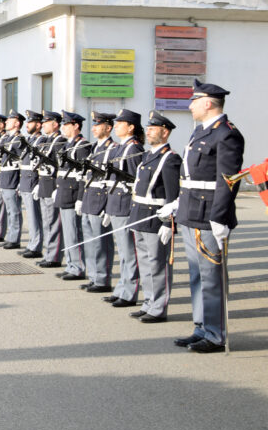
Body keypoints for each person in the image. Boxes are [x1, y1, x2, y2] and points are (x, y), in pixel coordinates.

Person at [164, 80, 244, 353]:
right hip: (189, 212)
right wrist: (177, 202)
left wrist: (220, 218)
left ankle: (215, 334)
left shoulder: (226, 135)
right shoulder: (200, 132)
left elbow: (228, 181)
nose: (190, 105)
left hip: (209, 215)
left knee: (212, 277)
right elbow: (190, 176)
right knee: (198, 276)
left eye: (194, 101)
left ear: (208, 103)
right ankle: (201, 327)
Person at [128, 111, 181, 324]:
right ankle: (149, 302)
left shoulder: (170, 159)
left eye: (153, 128)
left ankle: (159, 307)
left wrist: (169, 224)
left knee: (158, 265)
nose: (148, 131)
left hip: (156, 219)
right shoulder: (148, 156)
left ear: (165, 132)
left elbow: (173, 195)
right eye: (148, 128)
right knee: (145, 263)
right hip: (140, 216)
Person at [100, 109, 145, 306]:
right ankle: (121, 288)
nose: (115, 126)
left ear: (131, 127)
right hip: (116, 205)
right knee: (123, 253)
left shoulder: (133, 149)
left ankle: (129, 292)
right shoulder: (121, 147)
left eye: (120, 123)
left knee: (129, 253)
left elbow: (136, 182)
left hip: (126, 205)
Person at [78, 111, 117, 291]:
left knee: (102, 243)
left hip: (100, 200)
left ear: (108, 128)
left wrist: (107, 206)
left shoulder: (113, 148)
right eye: (93, 124)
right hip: (88, 198)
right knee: (90, 242)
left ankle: (103, 279)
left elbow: (113, 181)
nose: (94, 128)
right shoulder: (94, 147)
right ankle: (93, 276)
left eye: (98, 124)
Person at [53, 111, 90, 280]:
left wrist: (81, 198)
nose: (63, 128)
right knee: (68, 232)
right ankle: (71, 264)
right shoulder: (68, 145)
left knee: (74, 232)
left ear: (76, 126)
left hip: (73, 194)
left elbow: (83, 176)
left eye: (66, 125)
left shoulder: (82, 146)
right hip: (64, 192)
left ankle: (78, 267)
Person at [36, 110, 67, 268]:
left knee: (53, 222)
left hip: (52, 185)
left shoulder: (60, 141)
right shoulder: (47, 140)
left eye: (46, 122)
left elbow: (60, 166)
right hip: (43, 184)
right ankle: (49, 253)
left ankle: (54, 256)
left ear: (55, 124)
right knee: (47, 221)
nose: (43, 125)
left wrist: (58, 187)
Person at [17, 111, 45, 259]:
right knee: (31, 217)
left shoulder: (41, 141)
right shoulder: (30, 140)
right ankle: (31, 244)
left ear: (38, 125)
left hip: (33, 182)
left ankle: (36, 246)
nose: (27, 125)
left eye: (30, 122)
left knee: (35, 217)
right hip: (26, 182)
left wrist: (38, 184)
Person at [0, 111, 26, 249]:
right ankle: (10, 236)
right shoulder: (8, 138)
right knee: (9, 210)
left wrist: (20, 181)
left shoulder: (19, 139)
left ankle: (15, 239)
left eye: (9, 120)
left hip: (13, 178)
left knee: (14, 210)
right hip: (5, 178)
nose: (6, 122)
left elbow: (23, 161)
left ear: (17, 123)